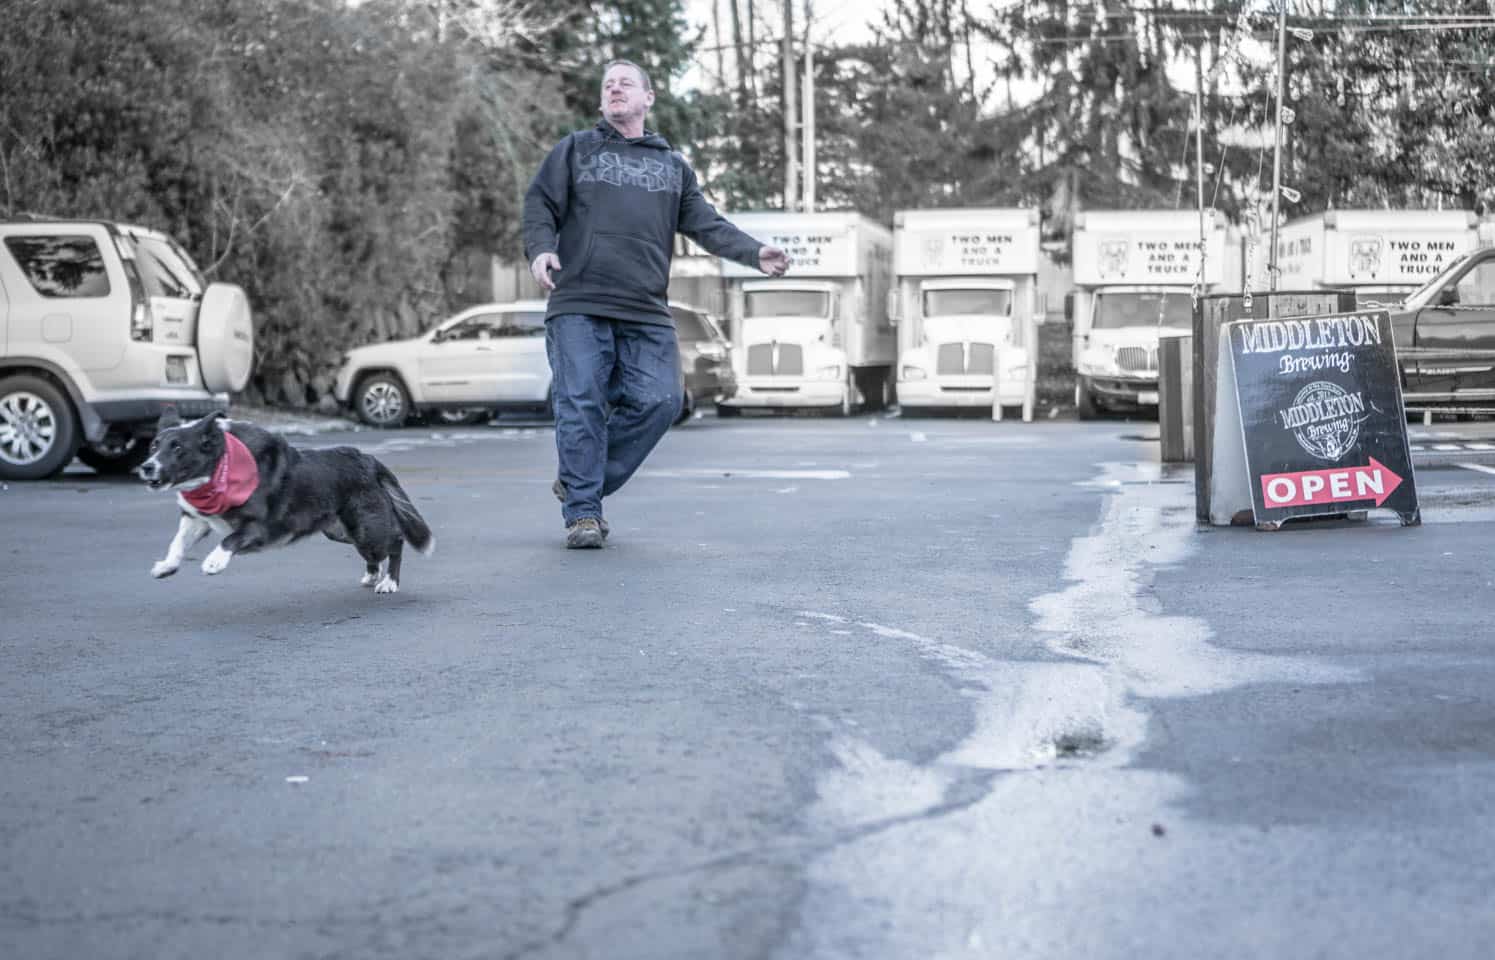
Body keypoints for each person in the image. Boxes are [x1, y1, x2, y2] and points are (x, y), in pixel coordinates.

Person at [522, 59, 790, 549]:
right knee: (580, 402)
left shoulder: (672, 167)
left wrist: (755, 252)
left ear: (649, 98)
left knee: (662, 401)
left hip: (645, 307)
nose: (615, 89)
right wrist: (541, 248)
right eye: (607, 85)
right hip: (579, 300)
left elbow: (707, 224)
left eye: (626, 83)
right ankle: (583, 512)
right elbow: (539, 203)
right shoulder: (576, 150)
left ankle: (584, 480)